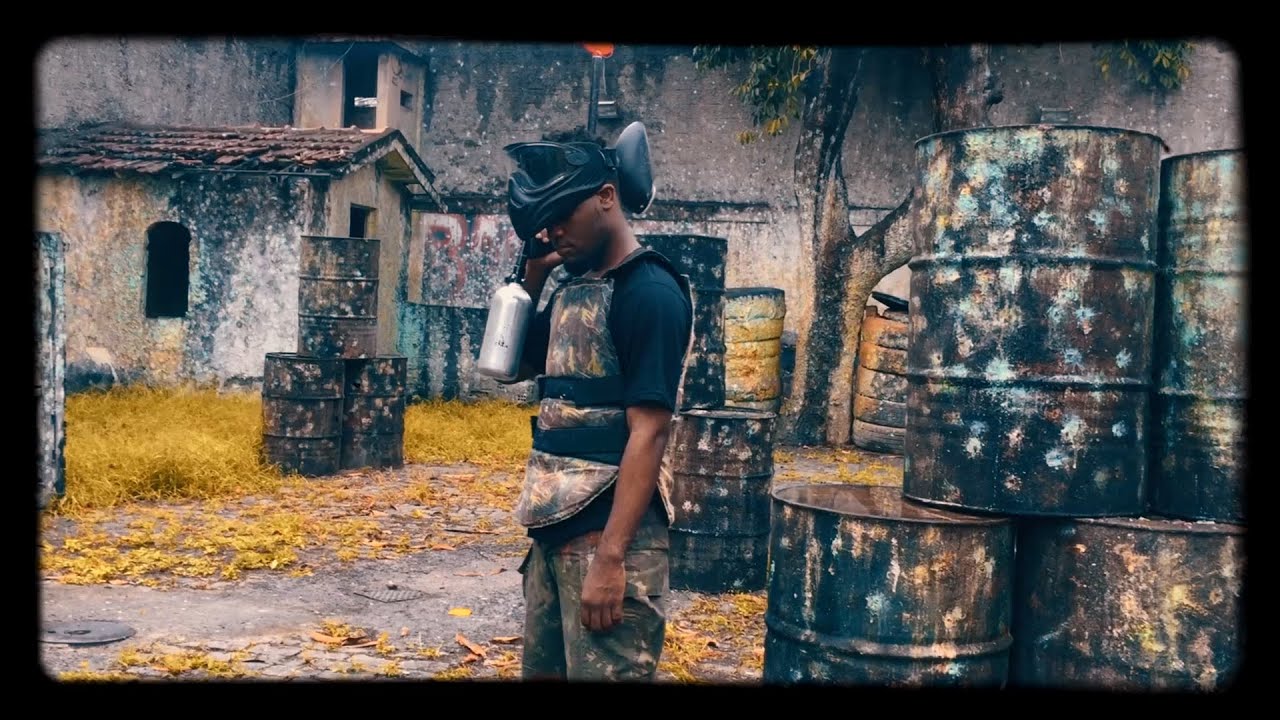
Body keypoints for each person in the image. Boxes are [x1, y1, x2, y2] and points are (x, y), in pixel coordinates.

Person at [499, 126, 693, 682]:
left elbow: (649, 432)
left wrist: (611, 559)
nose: (553, 229)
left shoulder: (649, 292)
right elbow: (510, 365)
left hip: (610, 537)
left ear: (607, 196)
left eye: (563, 213)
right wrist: (534, 272)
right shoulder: (573, 288)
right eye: (545, 219)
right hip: (553, 528)